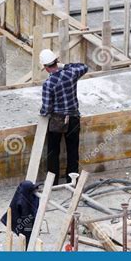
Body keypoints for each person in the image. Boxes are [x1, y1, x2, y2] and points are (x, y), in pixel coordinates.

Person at [39, 49, 88, 185]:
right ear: (57, 61)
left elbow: (47, 108)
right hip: (73, 118)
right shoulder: (71, 74)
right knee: (73, 150)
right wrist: (64, 66)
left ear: (45, 67)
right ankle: (72, 180)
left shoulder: (48, 84)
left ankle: (52, 182)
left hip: (57, 120)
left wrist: (42, 113)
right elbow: (84, 67)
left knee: (53, 151)